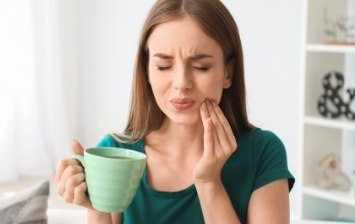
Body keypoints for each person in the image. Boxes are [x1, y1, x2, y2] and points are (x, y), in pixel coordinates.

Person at [55, 0, 295, 223]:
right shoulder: (117, 153)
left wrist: (209, 182)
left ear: (227, 73)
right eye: (163, 66)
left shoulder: (263, 153)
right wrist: (96, 205)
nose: (182, 83)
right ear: (147, 72)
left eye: (201, 67)